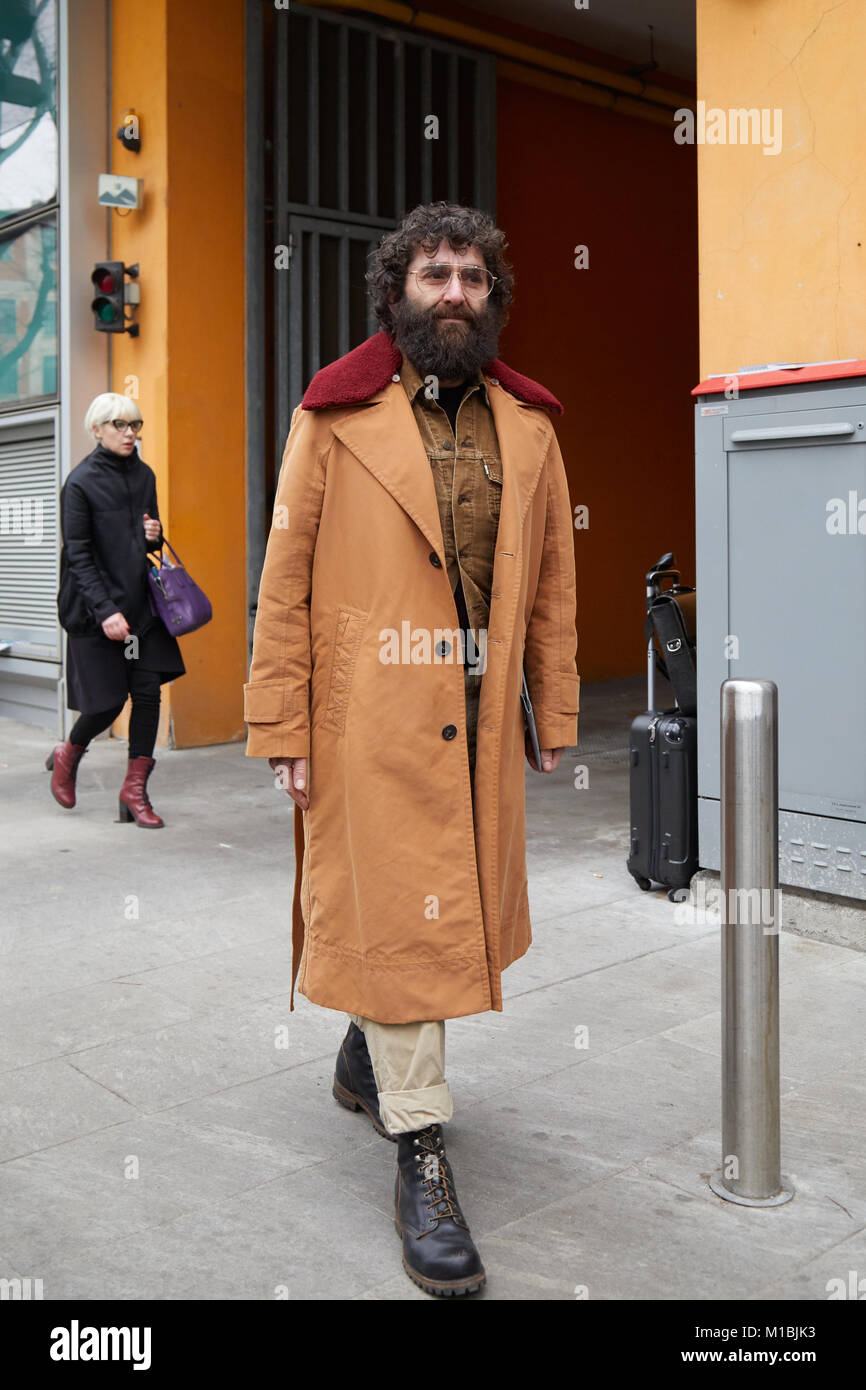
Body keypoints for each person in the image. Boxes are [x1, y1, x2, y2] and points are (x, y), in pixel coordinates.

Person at [244, 202, 579, 1296]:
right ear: (394, 291)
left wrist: (553, 710)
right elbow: (283, 577)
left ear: (491, 300)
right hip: (367, 717)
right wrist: (280, 722)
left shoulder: (529, 427)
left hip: (478, 720)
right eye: (433, 272)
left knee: (424, 911)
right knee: (399, 905)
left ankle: (365, 1051)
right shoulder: (333, 415)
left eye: (472, 277)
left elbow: (554, 594)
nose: (452, 291)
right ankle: (421, 1149)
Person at [46, 394, 186, 827]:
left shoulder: (145, 475)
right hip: (94, 612)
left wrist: (153, 535)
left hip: (139, 607)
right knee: (106, 704)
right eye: (119, 425)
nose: (129, 434)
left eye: (135, 426)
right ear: (97, 429)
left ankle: (134, 791)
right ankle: (69, 752)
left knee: (147, 693)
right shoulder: (81, 482)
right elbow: (79, 555)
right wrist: (105, 610)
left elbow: (148, 545)